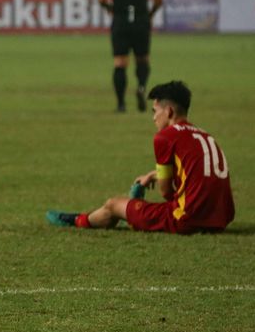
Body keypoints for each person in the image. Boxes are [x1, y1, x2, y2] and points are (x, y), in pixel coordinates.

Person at [47, 81, 235, 234]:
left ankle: (77, 220)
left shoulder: (165, 137)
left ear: (168, 111)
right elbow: (193, 170)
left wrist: (140, 206)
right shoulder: (203, 134)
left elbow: (165, 192)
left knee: (113, 205)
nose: (153, 118)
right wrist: (153, 175)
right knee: (131, 207)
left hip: (187, 219)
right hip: (220, 219)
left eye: (155, 111)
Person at [97, 0, 163, 113]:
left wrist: (110, 8)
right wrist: (150, 13)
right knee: (142, 59)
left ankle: (121, 104)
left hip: (121, 22)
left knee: (120, 62)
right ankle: (141, 88)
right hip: (141, 21)